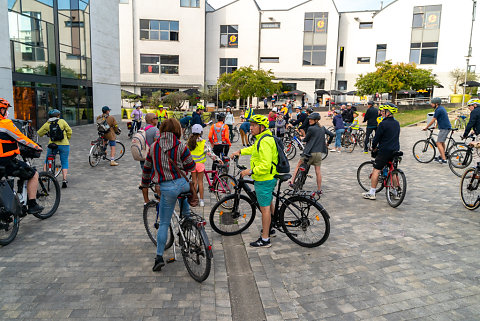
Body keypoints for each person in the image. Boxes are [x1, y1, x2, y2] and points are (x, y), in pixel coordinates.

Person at [141, 118, 196, 272]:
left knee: (164, 223)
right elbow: (191, 166)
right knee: (186, 212)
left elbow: (147, 170)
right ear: (178, 131)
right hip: (183, 184)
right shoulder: (181, 146)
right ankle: (188, 232)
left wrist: (144, 185)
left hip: (167, 188)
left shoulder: (153, 147)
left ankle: (159, 257)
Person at [230, 115, 278, 248]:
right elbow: (253, 149)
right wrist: (240, 151)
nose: (250, 128)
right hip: (266, 178)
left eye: (253, 125)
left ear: (262, 127)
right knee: (268, 202)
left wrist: (249, 171)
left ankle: (265, 239)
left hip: (264, 179)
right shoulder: (261, 139)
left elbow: (266, 165)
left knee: (264, 209)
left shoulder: (265, 141)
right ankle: (271, 226)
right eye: (250, 125)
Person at [0, 98, 43, 214]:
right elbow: (21, 138)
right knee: (33, 174)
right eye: (6, 109)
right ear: (1, 110)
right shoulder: (6, 124)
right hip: (5, 162)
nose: (7, 112)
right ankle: (32, 204)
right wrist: (36, 147)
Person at [362, 103, 400, 200]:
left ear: (388, 113)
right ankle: (395, 191)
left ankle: (372, 192)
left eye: (383, 111)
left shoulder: (383, 123)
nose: (382, 113)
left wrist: (373, 147)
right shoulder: (397, 123)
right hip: (395, 150)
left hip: (384, 150)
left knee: (376, 170)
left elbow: (376, 139)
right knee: (393, 171)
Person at [290, 113, 334, 194]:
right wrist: (328, 143)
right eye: (309, 119)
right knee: (318, 171)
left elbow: (306, 139)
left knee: (298, 166)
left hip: (309, 153)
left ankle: (292, 182)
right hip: (318, 154)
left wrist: (302, 138)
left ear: (316, 120)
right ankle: (319, 189)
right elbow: (331, 134)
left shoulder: (311, 128)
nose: (309, 120)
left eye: (311, 119)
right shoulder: (322, 128)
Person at [188, 124, 222, 207]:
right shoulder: (203, 143)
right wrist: (218, 159)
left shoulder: (189, 142)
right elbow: (210, 154)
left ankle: (194, 199)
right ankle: (202, 201)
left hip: (192, 165)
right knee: (200, 183)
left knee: (194, 182)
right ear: (201, 132)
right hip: (200, 165)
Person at [37, 109, 72, 188]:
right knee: (64, 161)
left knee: (47, 159)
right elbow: (69, 131)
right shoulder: (62, 121)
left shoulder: (47, 123)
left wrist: (47, 133)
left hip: (52, 145)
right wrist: (67, 138)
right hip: (64, 144)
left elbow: (39, 133)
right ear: (58, 115)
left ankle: (45, 176)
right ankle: (64, 179)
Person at [423, 97, 451, 163]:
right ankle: (442, 155)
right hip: (445, 127)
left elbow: (433, 120)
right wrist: (436, 126)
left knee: (438, 143)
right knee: (442, 142)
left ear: (436, 104)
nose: (431, 104)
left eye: (432, 103)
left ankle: (444, 159)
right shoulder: (441, 108)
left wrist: (426, 127)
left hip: (444, 128)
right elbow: (439, 118)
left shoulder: (438, 110)